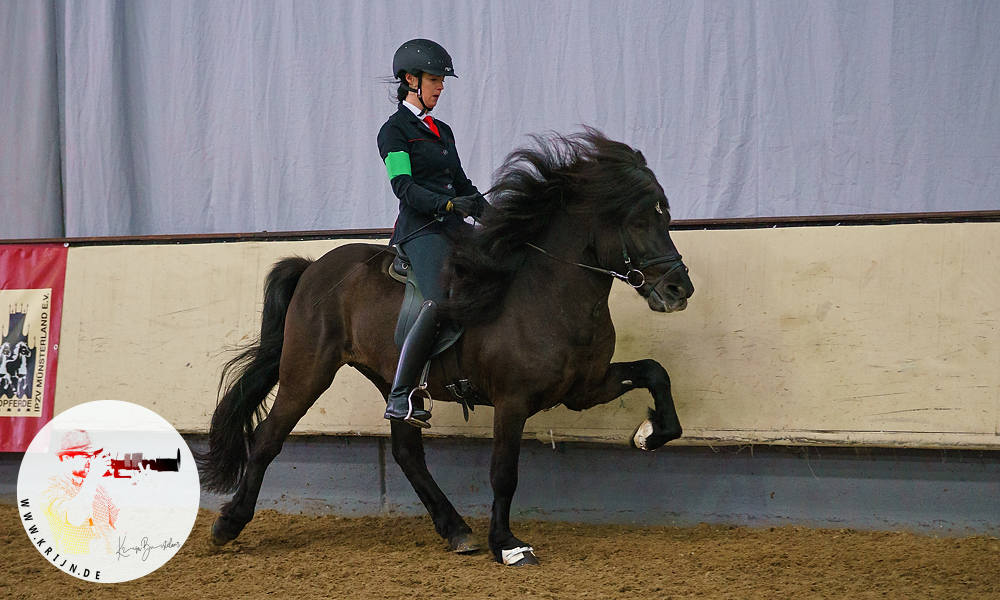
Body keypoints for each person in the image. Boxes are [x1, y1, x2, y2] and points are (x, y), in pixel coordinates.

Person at [378, 39, 487, 428]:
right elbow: (403, 186)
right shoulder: (393, 132)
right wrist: (445, 206)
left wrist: (494, 216)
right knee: (439, 301)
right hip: (421, 230)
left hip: (453, 225)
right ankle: (399, 395)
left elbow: (461, 183)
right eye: (435, 79)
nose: (441, 87)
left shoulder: (443, 131)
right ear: (410, 80)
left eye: (442, 80)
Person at [41, 429, 119, 554]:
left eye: (92, 456)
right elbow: (75, 517)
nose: (91, 461)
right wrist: (93, 477)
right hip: (73, 561)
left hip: (104, 560)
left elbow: (118, 521)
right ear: (66, 458)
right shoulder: (51, 487)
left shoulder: (93, 484)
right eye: (85, 456)